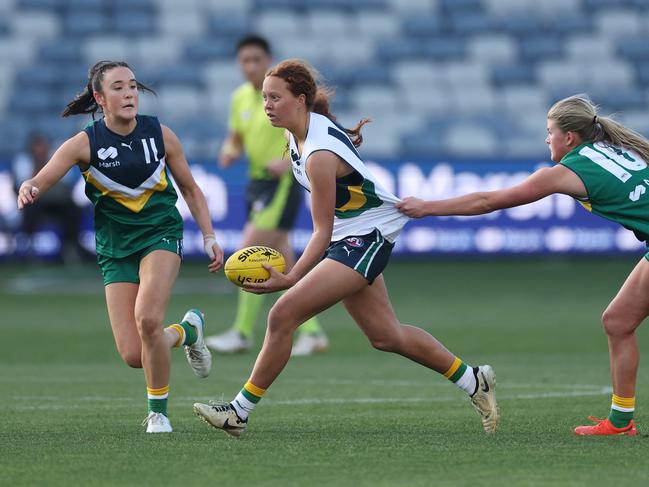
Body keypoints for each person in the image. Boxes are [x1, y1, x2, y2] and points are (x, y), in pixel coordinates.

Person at [193, 59, 498, 437]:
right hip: (350, 235)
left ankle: (238, 412)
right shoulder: (294, 135)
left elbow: (320, 232)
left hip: (366, 236)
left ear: (300, 100)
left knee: (282, 314)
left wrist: (290, 277)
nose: (267, 105)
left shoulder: (318, 153)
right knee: (385, 335)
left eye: (275, 97)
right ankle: (474, 380)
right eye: (264, 98)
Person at [397, 94, 649, 437]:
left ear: (569, 138)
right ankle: (620, 423)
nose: (547, 138)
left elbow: (488, 201)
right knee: (618, 321)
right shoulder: (613, 149)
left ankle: (621, 423)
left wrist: (427, 207)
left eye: (550, 132)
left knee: (618, 322)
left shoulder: (567, 171)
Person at [17, 60, 224, 433]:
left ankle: (158, 413)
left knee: (147, 320)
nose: (129, 93)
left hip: (160, 234)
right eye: (118, 87)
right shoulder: (85, 142)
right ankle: (189, 332)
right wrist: (29, 186)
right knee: (133, 354)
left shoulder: (160, 134)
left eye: (132, 86)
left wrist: (208, 235)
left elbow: (191, 189)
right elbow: (45, 176)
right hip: (115, 249)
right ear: (100, 97)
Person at [206, 35, 328, 357]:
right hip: (256, 183)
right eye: (244, 61)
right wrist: (229, 151)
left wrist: (287, 161)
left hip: (283, 184)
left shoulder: (284, 96)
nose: (250, 66)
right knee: (284, 261)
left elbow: (309, 134)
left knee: (249, 250)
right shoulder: (239, 99)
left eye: (256, 60)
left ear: (268, 61)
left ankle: (243, 332)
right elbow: (234, 138)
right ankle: (313, 332)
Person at [11, 132, 86, 263]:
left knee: (74, 210)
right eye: (37, 146)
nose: (40, 149)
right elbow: (23, 186)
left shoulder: (57, 158)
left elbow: (65, 184)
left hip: (56, 201)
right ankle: (28, 249)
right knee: (28, 210)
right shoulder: (23, 161)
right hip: (35, 202)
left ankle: (71, 247)